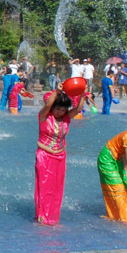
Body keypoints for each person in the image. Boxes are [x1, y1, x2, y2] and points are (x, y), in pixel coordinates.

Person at [35, 90, 82, 225]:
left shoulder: (65, 119)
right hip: (44, 155)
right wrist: (57, 91)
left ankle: (53, 217)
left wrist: (83, 93)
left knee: (57, 188)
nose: (60, 112)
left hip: (60, 156)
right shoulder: (44, 116)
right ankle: (42, 217)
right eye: (57, 109)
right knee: (44, 187)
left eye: (63, 110)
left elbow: (78, 108)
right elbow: (48, 105)